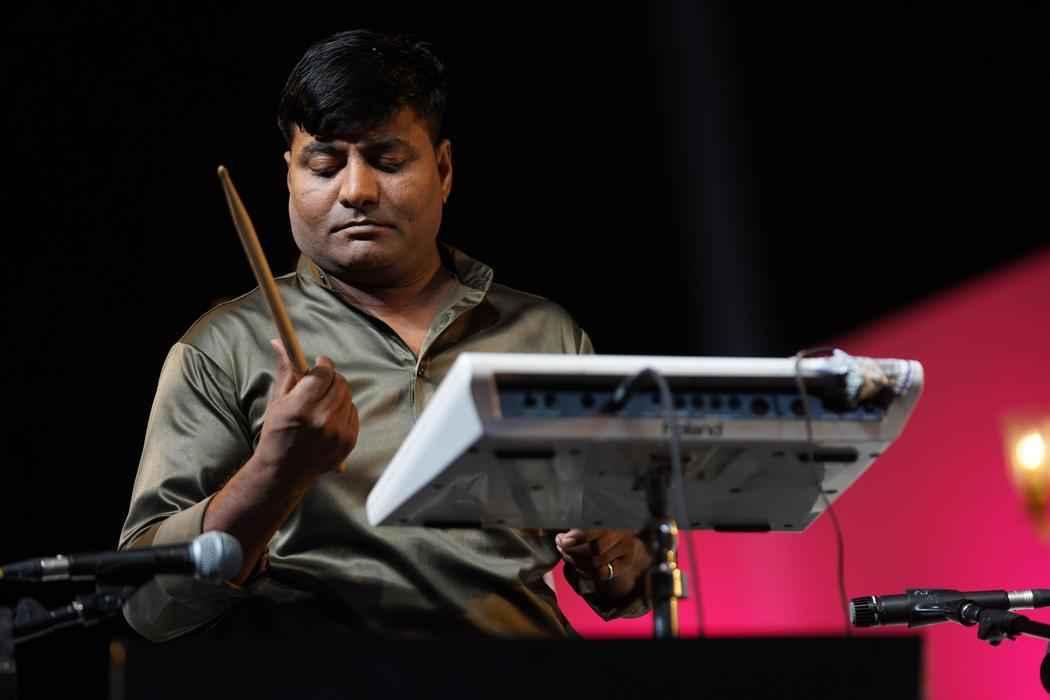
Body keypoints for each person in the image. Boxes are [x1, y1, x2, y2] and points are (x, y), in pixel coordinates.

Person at [120, 29, 651, 640]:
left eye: (387, 161)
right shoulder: (223, 349)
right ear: (289, 176)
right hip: (322, 680)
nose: (356, 191)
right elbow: (150, 605)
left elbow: (628, 585)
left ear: (444, 169)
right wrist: (275, 470)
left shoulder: (544, 335)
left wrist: (615, 554)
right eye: (325, 165)